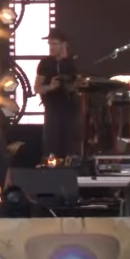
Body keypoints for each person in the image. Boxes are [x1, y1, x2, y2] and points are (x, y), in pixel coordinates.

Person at [35, 30, 80, 162]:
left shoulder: (73, 63)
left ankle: (70, 167)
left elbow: (80, 84)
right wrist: (50, 87)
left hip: (71, 109)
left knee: (70, 145)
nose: (51, 47)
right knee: (51, 145)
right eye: (49, 44)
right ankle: (50, 168)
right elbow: (37, 88)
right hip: (52, 109)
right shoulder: (45, 64)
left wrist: (72, 85)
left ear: (63, 44)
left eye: (54, 44)